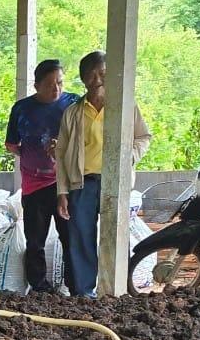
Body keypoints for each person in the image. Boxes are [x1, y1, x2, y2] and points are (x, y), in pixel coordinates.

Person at [55, 51, 152, 297]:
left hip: (115, 183)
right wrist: (62, 191)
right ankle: (84, 294)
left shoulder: (125, 106)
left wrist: (130, 156)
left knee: (115, 238)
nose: (97, 79)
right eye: (91, 75)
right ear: (83, 80)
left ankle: (116, 290)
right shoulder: (73, 113)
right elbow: (62, 153)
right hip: (82, 184)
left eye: (103, 74)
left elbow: (143, 137)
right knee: (81, 239)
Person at [5, 59, 79, 293]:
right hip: (34, 184)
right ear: (36, 85)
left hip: (65, 184)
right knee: (35, 239)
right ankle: (39, 288)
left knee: (70, 237)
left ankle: (75, 284)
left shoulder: (74, 103)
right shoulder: (22, 109)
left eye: (59, 82)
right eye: (49, 84)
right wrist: (32, 155)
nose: (56, 88)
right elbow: (11, 144)